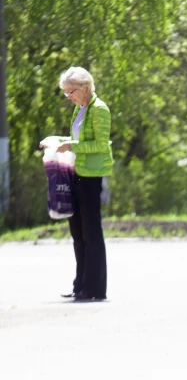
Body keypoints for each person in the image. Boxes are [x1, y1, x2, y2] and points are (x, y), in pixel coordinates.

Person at [41, 67, 113, 300]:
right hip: (76, 173)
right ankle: (80, 286)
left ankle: (95, 288)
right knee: (78, 233)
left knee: (92, 232)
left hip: (91, 176)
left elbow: (100, 145)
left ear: (84, 88)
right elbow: (78, 139)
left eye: (70, 92)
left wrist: (71, 145)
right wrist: (56, 141)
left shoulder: (99, 109)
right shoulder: (80, 109)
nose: (68, 97)